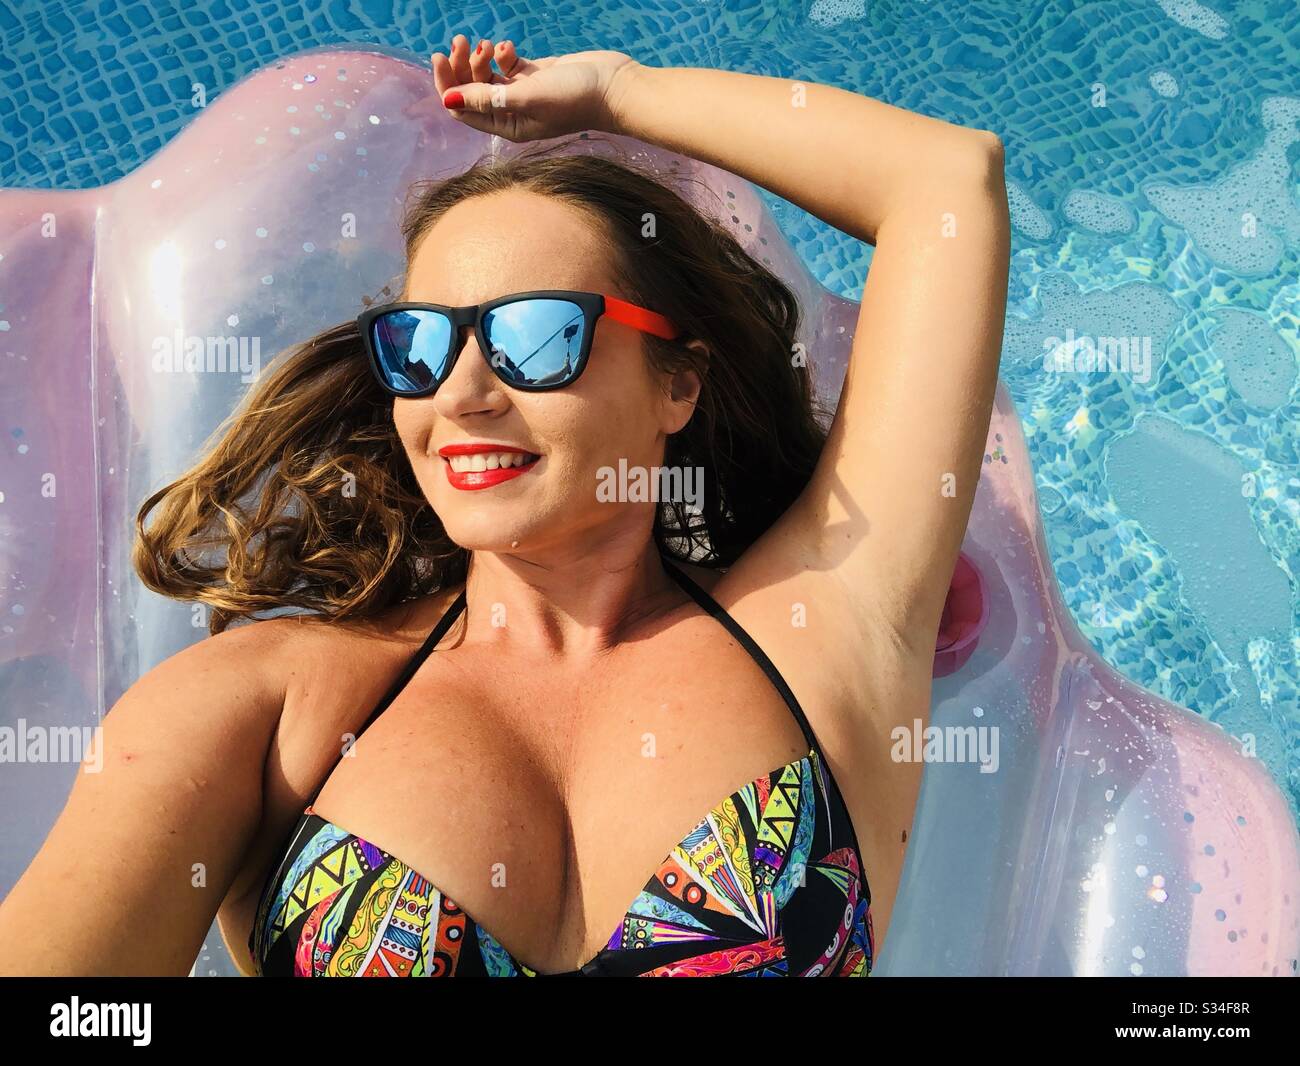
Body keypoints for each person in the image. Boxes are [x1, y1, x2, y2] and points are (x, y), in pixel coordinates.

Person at [0, 34, 1009, 977]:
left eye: (535, 334)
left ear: (677, 383)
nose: (465, 394)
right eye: (422, 346)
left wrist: (622, 92)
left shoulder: (822, 631)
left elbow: (944, 184)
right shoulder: (261, 712)